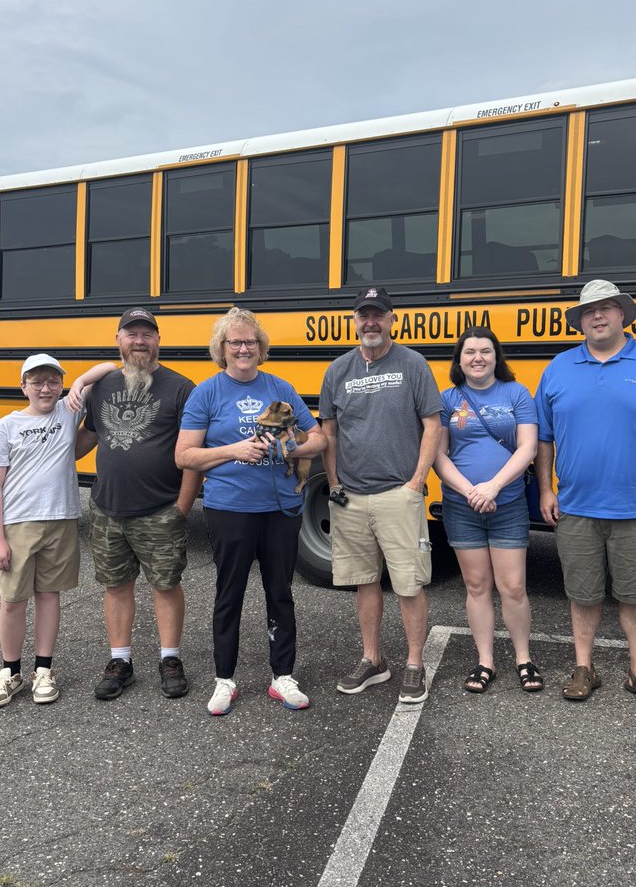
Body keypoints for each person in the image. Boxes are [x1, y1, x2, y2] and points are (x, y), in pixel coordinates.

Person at [534, 279, 636, 708]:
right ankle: (584, 667)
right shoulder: (559, 368)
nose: (598, 316)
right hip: (575, 507)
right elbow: (544, 438)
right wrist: (546, 489)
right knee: (582, 594)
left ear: (623, 314)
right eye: (589, 311)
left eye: (606, 308)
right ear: (580, 321)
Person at [175, 308, 325, 716]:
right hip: (230, 508)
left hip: (280, 508)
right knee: (230, 594)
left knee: (280, 593)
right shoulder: (206, 393)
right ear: (221, 349)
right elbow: (185, 456)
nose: (243, 348)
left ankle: (282, 677)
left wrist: (290, 447)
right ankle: (225, 679)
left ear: (261, 348)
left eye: (251, 342)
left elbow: (319, 438)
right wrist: (234, 450)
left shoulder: (279, 387)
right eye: (235, 342)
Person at [319, 286, 442, 704]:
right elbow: (329, 432)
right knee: (364, 582)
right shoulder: (338, 370)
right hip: (350, 496)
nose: (371, 322)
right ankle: (373, 660)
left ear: (393, 319)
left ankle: (413, 663)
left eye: (378, 315)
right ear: (354, 321)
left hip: (398, 493)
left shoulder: (413, 364)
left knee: (408, 584)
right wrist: (333, 484)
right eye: (363, 315)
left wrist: (416, 482)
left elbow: (432, 424)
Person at [78, 309, 203, 702]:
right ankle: (121, 662)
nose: (140, 341)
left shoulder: (181, 388)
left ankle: (170, 659)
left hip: (160, 509)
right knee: (116, 586)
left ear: (158, 342)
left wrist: (182, 507)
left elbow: (193, 454)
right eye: (132, 334)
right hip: (107, 508)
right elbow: (88, 439)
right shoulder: (102, 388)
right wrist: (47, 451)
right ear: (118, 340)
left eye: (147, 335)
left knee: (166, 585)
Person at [0, 353, 116, 708]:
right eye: (37, 381)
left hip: (61, 519)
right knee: (12, 602)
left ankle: (44, 669)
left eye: (53, 381)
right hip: (18, 524)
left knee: (49, 596)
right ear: (23, 386)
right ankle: (10, 671)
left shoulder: (67, 410)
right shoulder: (7, 426)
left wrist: (82, 383)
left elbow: (110, 367)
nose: (45, 388)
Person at [434, 326, 541, 694]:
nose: (477, 358)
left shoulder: (517, 393)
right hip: (462, 506)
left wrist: (493, 486)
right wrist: (469, 492)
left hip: (507, 502)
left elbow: (528, 448)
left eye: (485, 351)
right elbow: (438, 454)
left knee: (513, 586)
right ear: (459, 360)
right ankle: (485, 662)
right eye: (469, 352)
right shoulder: (447, 399)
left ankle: (524, 659)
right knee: (476, 585)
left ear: (497, 357)